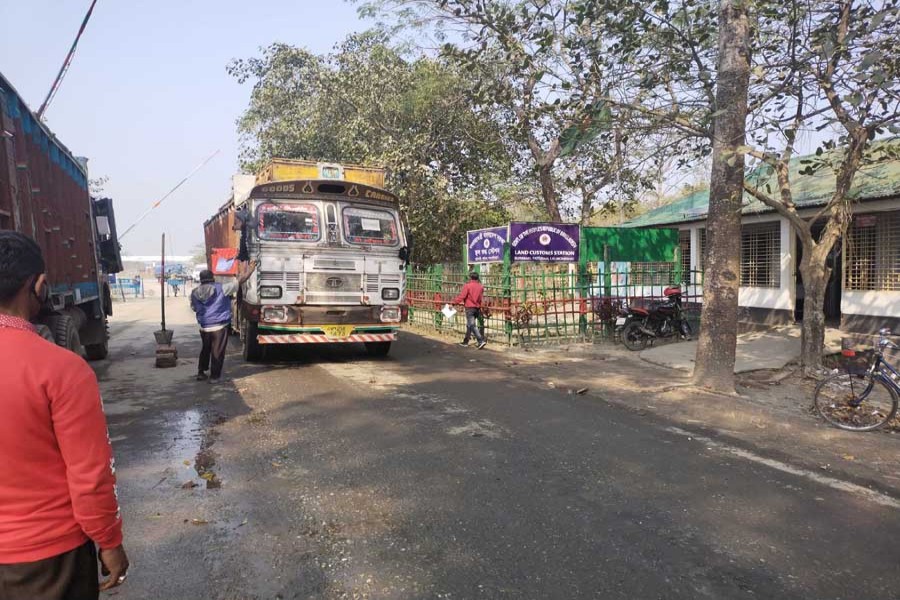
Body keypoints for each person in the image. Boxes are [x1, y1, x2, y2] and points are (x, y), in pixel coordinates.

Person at [0, 231, 128, 599]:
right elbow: (89, 476)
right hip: (48, 561)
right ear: (37, 285)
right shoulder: (62, 369)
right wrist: (109, 541)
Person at [190, 260, 257, 383]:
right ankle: (214, 377)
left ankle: (201, 372)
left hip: (204, 327)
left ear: (201, 279)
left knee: (205, 349)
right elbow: (240, 281)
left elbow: (194, 308)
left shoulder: (194, 293)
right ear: (212, 278)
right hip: (219, 327)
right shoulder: (223, 288)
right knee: (217, 351)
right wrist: (251, 270)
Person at [453, 270, 487, 349]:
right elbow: (481, 298)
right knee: (469, 325)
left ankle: (480, 340)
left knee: (472, 325)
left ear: (470, 277)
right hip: (477, 307)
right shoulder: (481, 286)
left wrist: (454, 303)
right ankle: (465, 341)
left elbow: (462, 296)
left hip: (469, 307)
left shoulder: (467, 286)